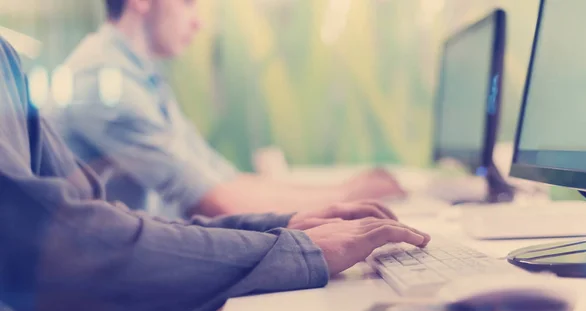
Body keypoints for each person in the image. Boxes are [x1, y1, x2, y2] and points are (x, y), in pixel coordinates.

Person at [0, 37, 429, 311]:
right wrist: (301, 242)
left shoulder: (16, 59)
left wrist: (287, 224)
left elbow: (104, 217)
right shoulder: (102, 79)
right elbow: (65, 246)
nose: (198, 18)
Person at [42, 0, 407, 220]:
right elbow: (220, 203)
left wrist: (346, 190)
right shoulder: (105, 82)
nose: (197, 21)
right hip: (105, 309)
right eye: (187, 2)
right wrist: (346, 197)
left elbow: (224, 179)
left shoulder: (142, 77)